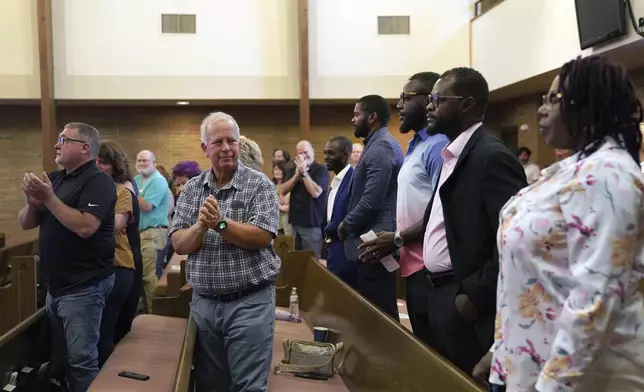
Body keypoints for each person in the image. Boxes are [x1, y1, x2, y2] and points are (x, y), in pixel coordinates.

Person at [476, 56, 644, 392]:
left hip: (577, 377)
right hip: (527, 363)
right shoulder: (571, 168)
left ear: (588, 105)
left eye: (553, 100)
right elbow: (537, 276)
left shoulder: (609, 176)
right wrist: (501, 348)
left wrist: (552, 385)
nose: (541, 109)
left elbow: (597, 296)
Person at [170, 112, 280, 391]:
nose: (226, 148)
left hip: (249, 303)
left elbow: (263, 236)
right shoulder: (193, 188)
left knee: (249, 386)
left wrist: (220, 223)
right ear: (205, 148)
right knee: (211, 385)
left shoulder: (259, 184)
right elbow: (179, 244)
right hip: (205, 303)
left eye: (231, 140)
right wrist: (201, 227)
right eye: (217, 142)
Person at [20, 122, 116, 392]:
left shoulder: (99, 182)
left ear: (84, 148)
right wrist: (32, 202)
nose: (56, 144)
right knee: (61, 358)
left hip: (84, 286)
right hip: (56, 286)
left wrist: (49, 198)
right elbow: (27, 223)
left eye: (64, 139)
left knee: (82, 361)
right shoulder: (57, 178)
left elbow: (86, 227)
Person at [359, 72, 449, 345]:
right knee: (423, 345)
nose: (398, 105)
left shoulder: (437, 146)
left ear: (428, 100)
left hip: (431, 268)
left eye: (405, 97)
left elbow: (441, 210)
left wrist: (397, 238)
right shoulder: (415, 145)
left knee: (436, 353)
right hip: (412, 264)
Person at [339, 94, 404, 320]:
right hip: (372, 244)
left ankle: (389, 356)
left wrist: (346, 224)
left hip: (375, 245)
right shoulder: (376, 144)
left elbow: (371, 200)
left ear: (372, 116)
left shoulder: (381, 147)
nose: (353, 119)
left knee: (381, 317)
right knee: (376, 313)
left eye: (357, 114)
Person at [96, 140, 136, 367]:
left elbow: (115, 227)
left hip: (118, 266)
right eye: (95, 162)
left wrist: (85, 218)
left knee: (104, 333)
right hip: (90, 270)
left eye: (104, 163)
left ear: (115, 167)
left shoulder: (121, 192)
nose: (98, 166)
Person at [279, 141, 330, 258]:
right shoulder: (293, 170)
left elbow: (315, 192)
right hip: (294, 224)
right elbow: (282, 190)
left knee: (312, 261)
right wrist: (297, 175)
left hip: (312, 225)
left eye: (305, 152)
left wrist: (304, 173)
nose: (303, 155)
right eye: (300, 153)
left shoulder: (320, 170)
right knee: (295, 260)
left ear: (312, 151)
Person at [134, 150, 170, 313]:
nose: (141, 164)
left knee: (148, 276)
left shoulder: (158, 181)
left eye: (145, 161)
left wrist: (130, 191)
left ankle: (155, 313)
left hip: (153, 233)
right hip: (137, 233)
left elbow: (147, 206)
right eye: (139, 160)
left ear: (154, 163)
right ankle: (144, 311)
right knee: (139, 276)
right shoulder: (136, 179)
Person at [323, 135, 358, 289]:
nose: (325, 157)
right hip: (333, 250)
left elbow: (352, 215)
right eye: (325, 152)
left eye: (331, 153)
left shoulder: (354, 179)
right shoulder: (335, 182)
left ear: (345, 154)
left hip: (347, 251)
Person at [272, 162, 292, 235]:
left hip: (286, 223)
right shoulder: (270, 185)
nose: (276, 172)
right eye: (275, 169)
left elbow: (287, 205)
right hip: (273, 223)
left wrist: (276, 204)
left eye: (279, 170)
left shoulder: (288, 186)